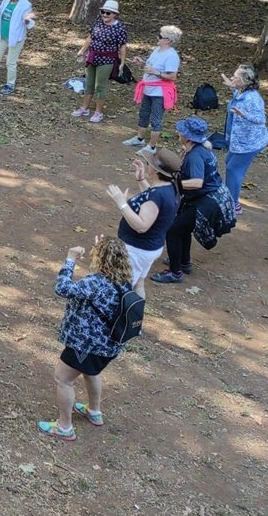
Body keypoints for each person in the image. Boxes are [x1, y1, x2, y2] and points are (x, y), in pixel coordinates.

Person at [38, 236, 132, 441]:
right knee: (92, 372)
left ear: (100, 258)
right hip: (109, 346)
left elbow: (62, 288)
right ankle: (94, 411)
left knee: (63, 379)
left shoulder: (95, 283)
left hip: (86, 345)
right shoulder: (125, 282)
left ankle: (64, 427)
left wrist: (70, 259)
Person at [151, 117, 237, 284]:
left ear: (188, 137)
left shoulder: (196, 155)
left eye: (181, 131)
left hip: (207, 201)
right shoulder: (200, 149)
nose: (178, 132)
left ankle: (175, 272)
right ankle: (184, 262)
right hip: (208, 198)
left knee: (173, 230)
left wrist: (173, 185)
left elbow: (197, 182)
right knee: (182, 228)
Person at [105, 149, 180, 297]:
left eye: (150, 164)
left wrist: (122, 203)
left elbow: (141, 226)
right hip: (150, 247)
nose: (148, 166)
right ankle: (136, 318)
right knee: (138, 283)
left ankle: (119, 318)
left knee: (121, 289)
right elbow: (152, 199)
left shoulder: (158, 195)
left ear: (156, 170)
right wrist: (141, 180)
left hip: (137, 250)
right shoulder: (169, 188)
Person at [123, 25, 182, 151]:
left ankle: (152, 146)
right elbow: (152, 66)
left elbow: (172, 76)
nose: (158, 38)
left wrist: (155, 72)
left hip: (159, 92)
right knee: (143, 114)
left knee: (156, 119)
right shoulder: (157, 50)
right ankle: (140, 138)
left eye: (161, 36)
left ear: (168, 40)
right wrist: (143, 63)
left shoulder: (172, 56)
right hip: (148, 89)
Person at [218, 64, 267, 214]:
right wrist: (231, 86)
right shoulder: (241, 92)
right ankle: (229, 196)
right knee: (229, 162)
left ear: (245, 81)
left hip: (249, 143)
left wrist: (243, 115)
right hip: (239, 140)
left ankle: (233, 204)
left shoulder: (252, 98)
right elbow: (237, 96)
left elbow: (260, 119)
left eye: (236, 77)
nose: (232, 77)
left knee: (233, 168)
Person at [72, 0, 128, 124]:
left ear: (114, 14)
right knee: (89, 83)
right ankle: (85, 108)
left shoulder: (119, 28)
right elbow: (90, 37)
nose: (104, 15)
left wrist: (122, 63)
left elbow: (123, 46)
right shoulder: (98, 22)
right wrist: (82, 51)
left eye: (108, 13)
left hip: (107, 59)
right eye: (103, 12)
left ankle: (98, 112)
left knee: (100, 86)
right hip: (92, 56)